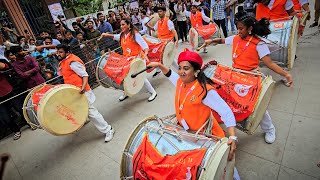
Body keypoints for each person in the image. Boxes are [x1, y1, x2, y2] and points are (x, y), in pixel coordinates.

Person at [147, 49, 240, 180]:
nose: (181, 72)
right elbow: (170, 75)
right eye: (179, 68)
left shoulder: (205, 90)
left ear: (196, 71)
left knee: (224, 165)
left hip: (208, 135)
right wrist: (159, 65)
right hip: (189, 134)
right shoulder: (181, 81)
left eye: (186, 68)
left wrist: (233, 138)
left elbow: (226, 112)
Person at [205, 16, 293, 144]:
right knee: (222, 97)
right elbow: (223, 40)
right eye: (237, 29)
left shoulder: (259, 43)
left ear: (250, 28)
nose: (238, 31)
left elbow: (269, 63)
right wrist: (211, 41)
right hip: (235, 77)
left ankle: (269, 129)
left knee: (257, 106)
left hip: (250, 80)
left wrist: (286, 74)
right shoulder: (236, 38)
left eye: (241, 29)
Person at [56, 44, 114, 142]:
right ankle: (84, 119)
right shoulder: (64, 61)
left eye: (60, 52)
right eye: (57, 52)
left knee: (92, 113)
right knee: (78, 110)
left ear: (67, 52)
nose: (58, 54)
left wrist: (83, 88)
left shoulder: (72, 62)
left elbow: (85, 75)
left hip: (81, 92)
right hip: (74, 92)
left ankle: (108, 129)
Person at [99, 19, 158, 102]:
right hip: (128, 60)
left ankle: (153, 92)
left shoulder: (135, 35)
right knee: (124, 76)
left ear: (128, 25)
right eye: (121, 25)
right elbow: (116, 37)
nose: (121, 26)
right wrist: (106, 35)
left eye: (123, 24)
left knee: (140, 76)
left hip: (138, 59)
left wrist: (145, 54)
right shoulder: (122, 35)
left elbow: (145, 46)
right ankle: (126, 92)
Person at [146, 6, 179, 77]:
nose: (159, 13)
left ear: (164, 12)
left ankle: (178, 70)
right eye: (158, 12)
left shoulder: (168, 21)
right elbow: (154, 29)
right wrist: (147, 26)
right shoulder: (159, 22)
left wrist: (176, 40)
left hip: (167, 43)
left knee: (169, 58)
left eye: (160, 11)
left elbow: (174, 31)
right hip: (161, 43)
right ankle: (160, 70)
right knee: (160, 57)